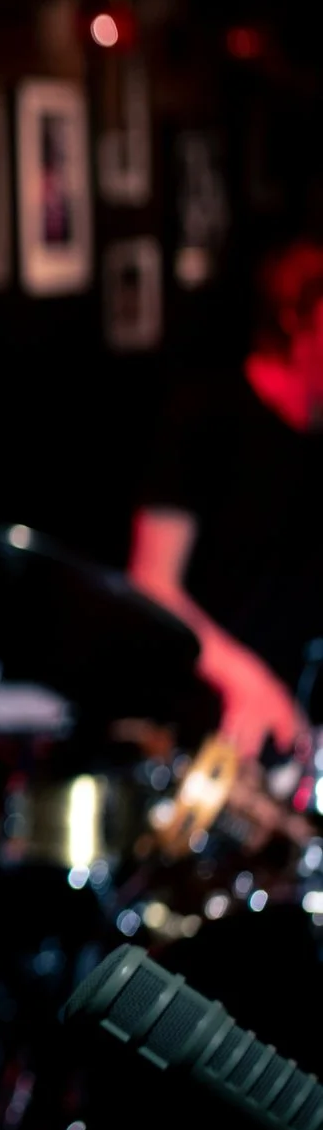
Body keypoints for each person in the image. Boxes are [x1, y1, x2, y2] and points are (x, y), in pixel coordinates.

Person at [128, 236, 321, 756]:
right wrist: (249, 680)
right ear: (295, 318)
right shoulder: (207, 414)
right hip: (201, 731)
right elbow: (152, 583)